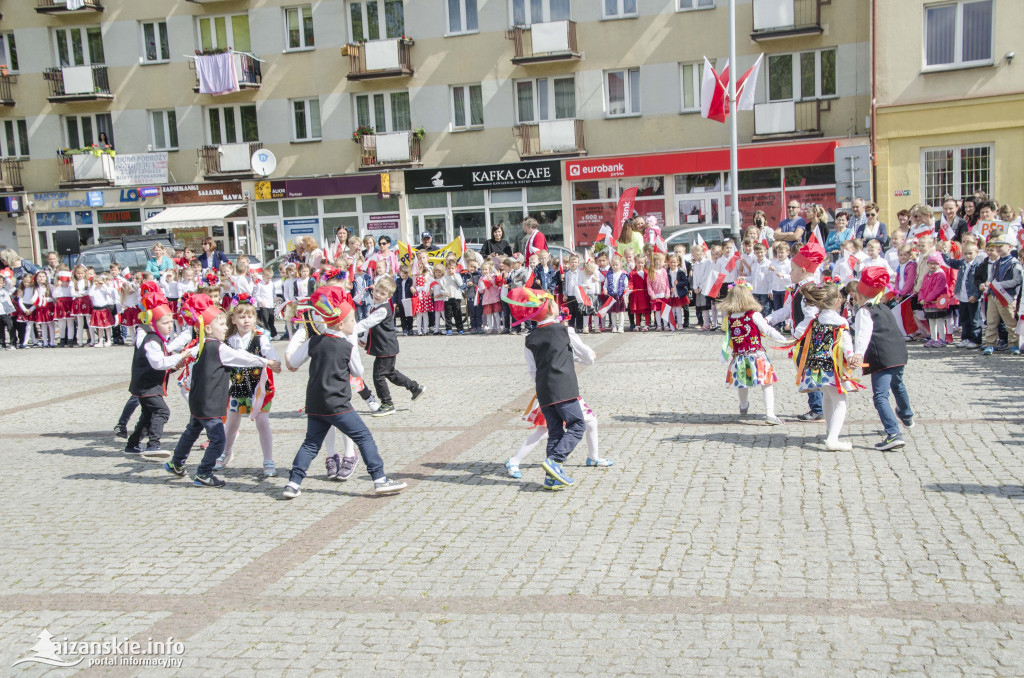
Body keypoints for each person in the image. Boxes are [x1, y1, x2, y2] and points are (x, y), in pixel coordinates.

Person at [281, 286, 406, 498]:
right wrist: (352, 352)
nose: (354, 325)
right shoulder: (347, 346)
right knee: (364, 437)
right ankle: (379, 479)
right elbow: (359, 371)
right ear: (341, 324)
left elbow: (293, 361)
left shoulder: (314, 340)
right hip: (338, 404)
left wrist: (288, 354)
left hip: (315, 403)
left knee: (311, 444)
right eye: (352, 321)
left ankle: (293, 483)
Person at [163, 294, 280, 488]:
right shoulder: (220, 346)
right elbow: (242, 357)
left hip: (207, 399)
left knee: (192, 432)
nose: (226, 328)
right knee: (220, 436)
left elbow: (187, 360)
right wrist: (266, 362)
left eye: (226, 325)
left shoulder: (201, 345)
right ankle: (204, 472)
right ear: (209, 328)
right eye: (223, 325)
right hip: (219, 398)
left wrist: (179, 372)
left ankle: (176, 463)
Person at [505, 286, 591, 490]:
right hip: (565, 388)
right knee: (577, 425)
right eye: (554, 302)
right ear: (551, 310)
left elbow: (533, 370)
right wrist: (586, 358)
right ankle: (555, 461)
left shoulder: (530, 339)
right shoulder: (565, 330)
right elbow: (586, 356)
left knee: (555, 432)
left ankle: (551, 478)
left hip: (544, 391)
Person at [213, 298, 280, 478]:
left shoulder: (260, 339)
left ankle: (268, 460)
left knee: (262, 423)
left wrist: (274, 361)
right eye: (241, 317)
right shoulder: (228, 341)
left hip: (259, 388)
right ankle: (225, 452)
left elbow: (270, 352)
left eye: (250, 316)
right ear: (233, 319)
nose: (246, 320)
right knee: (232, 423)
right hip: (239, 386)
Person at [791, 282, 862, 450]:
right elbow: (845, 342)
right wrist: (851, 356)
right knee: (840, 402)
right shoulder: (840, 321)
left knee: (828, 398)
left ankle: (830, 432)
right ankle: (833, 439)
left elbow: (796, 334)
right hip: (831, 368)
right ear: (838, 301)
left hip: (815, 367)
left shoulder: (815, 320)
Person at [124, 289, 194, 457]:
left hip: (148, 385)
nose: (170, 326)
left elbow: (162, 365)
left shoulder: (159, 339)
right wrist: (181, 355)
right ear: (152, 324)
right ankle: (153, 444)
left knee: (147, 415)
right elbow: (158, 363)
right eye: (164, 322)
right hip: (146, 386)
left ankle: (132, 444)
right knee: (162, 412)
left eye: (171, 321)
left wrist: (175, 366)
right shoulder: (151, 340)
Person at [850, 267, 914, 451]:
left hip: (882, 356)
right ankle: (907, 414)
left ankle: (893, 433)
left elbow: (864, 333)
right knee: (898, 385)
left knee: (880, 396)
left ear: (860, 296)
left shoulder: (864, 311)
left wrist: (858, 353)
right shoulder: (884, 307)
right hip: (898, 353)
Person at [767, 240, 827, 421]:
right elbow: (786, 311)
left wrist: (796, 335)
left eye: (792, 270)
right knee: (806, 370)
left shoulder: (808, 290)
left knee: (810, 371)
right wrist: (767, 319)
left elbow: (811, 316)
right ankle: (818, 407)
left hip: (809, 339)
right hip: (802, 339)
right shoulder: (797, 289)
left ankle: (819, 408)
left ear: (802, 271)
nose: (788, 273)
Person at [718, 280, 787, 425]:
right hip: (757, 356)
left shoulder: (730, 318)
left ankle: (743, 406)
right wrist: (783, 340)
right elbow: (767, 330)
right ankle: (770, 413)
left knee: (742, 383)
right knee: (767, 383)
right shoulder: (753, 315)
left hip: (739, 356)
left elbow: (729, 338)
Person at [363, 275, 425, 417]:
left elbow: (367, 323)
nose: (378, 295)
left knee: (378, 376)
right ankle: (415, 388)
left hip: (386, 347)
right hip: (385, 346)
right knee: (390, 373)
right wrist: (364, 338)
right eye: (377, 291)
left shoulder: (382, 309)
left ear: (389, 296)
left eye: (382, 293)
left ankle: (387, 404)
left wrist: (352, 330)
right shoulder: (376, 305)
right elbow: (370, 327)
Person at [979, 234, 1022, 355]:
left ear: (1010, 247)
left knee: (1010, 322)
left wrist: (1000, 284)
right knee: (991, 321)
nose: (997, 249)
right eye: (996, 246)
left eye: (1000, 246)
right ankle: (990, 344)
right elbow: (991, 277)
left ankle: (1013, 344)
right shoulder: (996, 263)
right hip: (993, 295)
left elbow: (1016, 280)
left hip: (1007, 296)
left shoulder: (1014, 263)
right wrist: (988, 284)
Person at [943, 241, 985, 348]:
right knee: (964, 319)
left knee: (975, 319)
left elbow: (979, 281)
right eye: (965, 253)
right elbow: (950, 262)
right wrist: (945, 253)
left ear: (976, 252)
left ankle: (975, 339)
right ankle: (965, 338)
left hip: (972, 296)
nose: (968, 256)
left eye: (970, 253)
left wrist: (976, 295)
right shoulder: (962, 263)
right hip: (962, 295)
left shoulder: (978, 265)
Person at [918, 252, 954, 347]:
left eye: (935, 263)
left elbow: (937, 290)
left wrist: (927, 299)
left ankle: (942, 338)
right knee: (932, 321)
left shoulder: (940, 275)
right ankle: (933, 338)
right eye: (931, 263)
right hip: (928, 303)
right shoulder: (927, 275)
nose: (933, 265)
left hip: (937, 302)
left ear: (940, 264)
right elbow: (922, 288)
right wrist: (921, 297)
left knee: (939, 320)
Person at [438, 260, 466, 335]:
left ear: (455, 268)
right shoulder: (443, 278)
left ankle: (460, 328)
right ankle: (449, 328)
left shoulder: (457, 276)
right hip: (448, 298)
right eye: (449, 268)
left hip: (456, 297)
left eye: (452, 268)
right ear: (446, 269)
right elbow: (440, 289)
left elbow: (460, 284)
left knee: (457, 313)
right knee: (448, 315)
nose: (450, 270)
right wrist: (444, 293)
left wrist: (455, 276)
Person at [604, 254, 629, 333]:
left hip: (620, 295)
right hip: (612, 295)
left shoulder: (623, 275)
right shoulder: (609, 275)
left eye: (617, 265)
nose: (615, 266)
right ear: (611, 265)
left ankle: (621, 326)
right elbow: (605, 284)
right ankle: (614, 326)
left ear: (621, 264)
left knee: (621, 312)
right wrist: (605, 289)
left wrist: (626, 295)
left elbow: (626, 285)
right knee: (613, 312)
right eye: (613, 265)